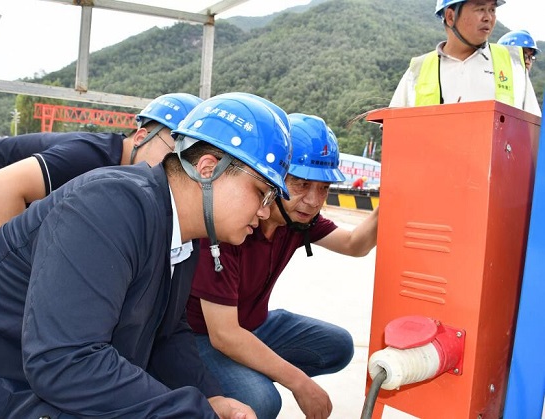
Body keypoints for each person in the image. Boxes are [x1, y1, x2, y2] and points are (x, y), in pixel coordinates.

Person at [0, 93, 292, 418]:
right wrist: (192, 412)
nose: (264, 212)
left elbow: (167, 334)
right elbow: (66, 361)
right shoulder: (109, 205)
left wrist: (210, 396)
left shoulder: (182, 234)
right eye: (262, 192)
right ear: (208, 168)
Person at [186, 113, 379, 419]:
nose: (313, 201)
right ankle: (206, 388)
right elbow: (223, 335)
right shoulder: (228, 225)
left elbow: (354, 244)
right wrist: (299, 382)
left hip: (255, 325)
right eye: (302, 184)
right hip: (202, 336)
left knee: (339, 347)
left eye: (324, 188)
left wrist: (394, 197)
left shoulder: (296, 220)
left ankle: (244, 371)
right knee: (262, 401)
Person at [0, 92, 202, 274]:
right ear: (141, 137)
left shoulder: (122, 171)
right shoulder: (89, 157)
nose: (175, 167)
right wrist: (25, 269)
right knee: (13, 292)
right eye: (173, 152)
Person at [389, 0, 541, 116]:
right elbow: (395, 129)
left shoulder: (513, 64)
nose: (488, 17)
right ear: (450, 16)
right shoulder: (418, 70)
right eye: (480, 9)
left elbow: (533, 130)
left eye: (492, 9)